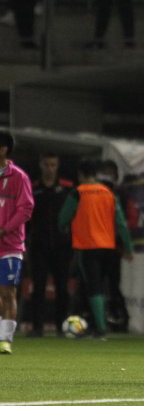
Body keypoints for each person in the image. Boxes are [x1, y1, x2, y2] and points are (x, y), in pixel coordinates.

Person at [57, 159, 133, 339]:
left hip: (88, 247)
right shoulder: (109, 193)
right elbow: (121, 223)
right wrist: (128, 247)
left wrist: (64, 227)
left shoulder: (78, 192)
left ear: (81, 175)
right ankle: (93, 323)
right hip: (108, 248)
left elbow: (63, 218)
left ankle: (100, 329)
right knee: (99, 287)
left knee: (93, 287)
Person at [27, 152, 74, 337]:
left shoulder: (68, 189)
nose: (50, 169)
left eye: (53, 165)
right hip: (39, 246)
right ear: (41, 165)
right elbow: (26, 218)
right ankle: (37, 327)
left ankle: (61, 326)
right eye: (47, 165)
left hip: (62, 248)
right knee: (37, 288)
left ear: (58, 165)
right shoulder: (32, 188)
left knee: (62, 288)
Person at [0, 130, 35, 353]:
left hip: (10, 245)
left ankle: (6, 340)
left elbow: (26, 208)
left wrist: (5, 229)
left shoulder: (18, 177)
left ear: (4, 149)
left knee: (8, 291)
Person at [96, 160, 129, 332]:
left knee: (113, 284)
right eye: (104, 172)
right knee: (96, 284)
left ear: (116, 175)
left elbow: (125, 221)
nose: (107, 176)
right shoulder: (96, 191)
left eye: (110, 172)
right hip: (95, 245)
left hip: (113, 247)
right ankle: (96, 319)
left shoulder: (120, 193)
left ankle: (120, 319)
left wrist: (125, 246)